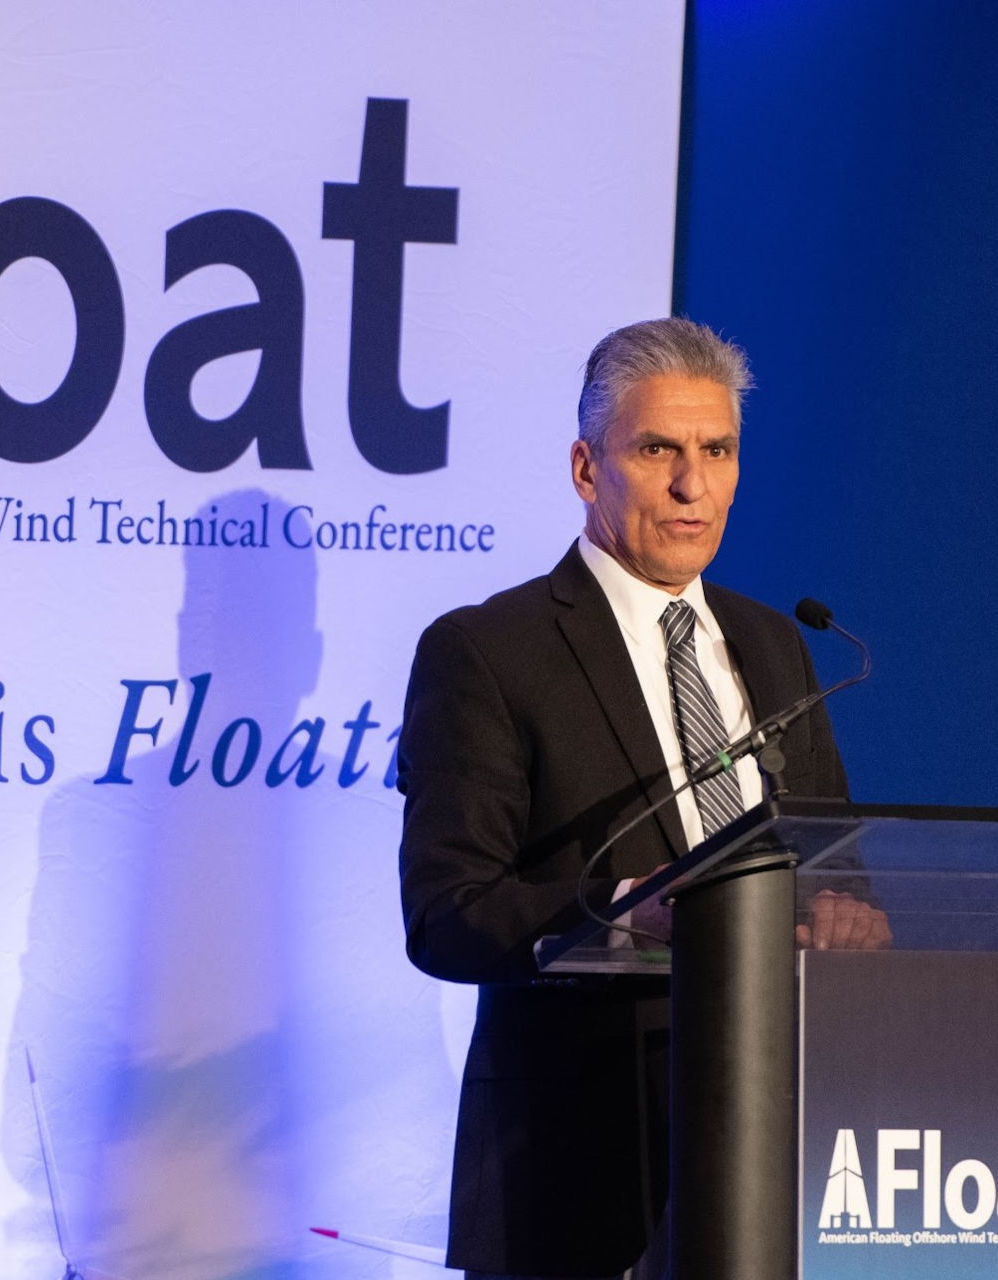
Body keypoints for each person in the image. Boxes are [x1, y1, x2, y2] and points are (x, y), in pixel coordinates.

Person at [395, 317, 888, 1280]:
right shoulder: (489, 653)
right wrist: (629, 911)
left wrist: (849, 919)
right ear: (588, 469)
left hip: (785, 1151)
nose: (691, 484)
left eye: (717, 451)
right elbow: (447, 916)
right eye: (657, 448)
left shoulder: (778, 645)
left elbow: (843, 874)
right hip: (581, 1177)